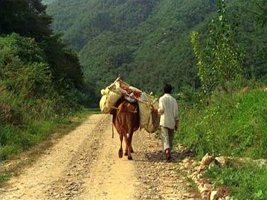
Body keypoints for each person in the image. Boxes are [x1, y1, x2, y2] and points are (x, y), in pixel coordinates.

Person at [158, 83, 179, 161]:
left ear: (164, 90)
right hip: (172, 122)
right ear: (171, 91)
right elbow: (176, 113)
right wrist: (177, 123)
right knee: (170, 138)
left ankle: (167, 151)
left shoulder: (161, 99)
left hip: (164, 121)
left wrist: (157, 111)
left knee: (165, 137)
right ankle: (169, 150)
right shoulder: (174, 100)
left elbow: (161, 110)